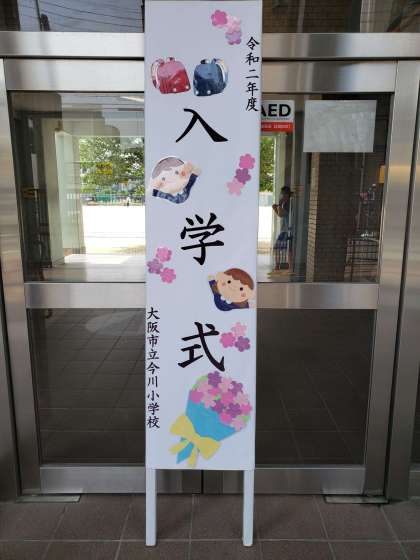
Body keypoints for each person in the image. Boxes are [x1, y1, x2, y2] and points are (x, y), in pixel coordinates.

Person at [272, 186, 292, 270]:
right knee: (288, 249)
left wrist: (279, 205)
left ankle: (278, 266)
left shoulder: (288, 204)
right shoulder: (287, 203)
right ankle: (288, 267)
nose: (281, 195)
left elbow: (281, 214)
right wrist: (276, 209)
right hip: (287, 230)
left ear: (286, 194)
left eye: (282, 194)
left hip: (286, 231)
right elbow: (281, 214)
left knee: (277, 248)